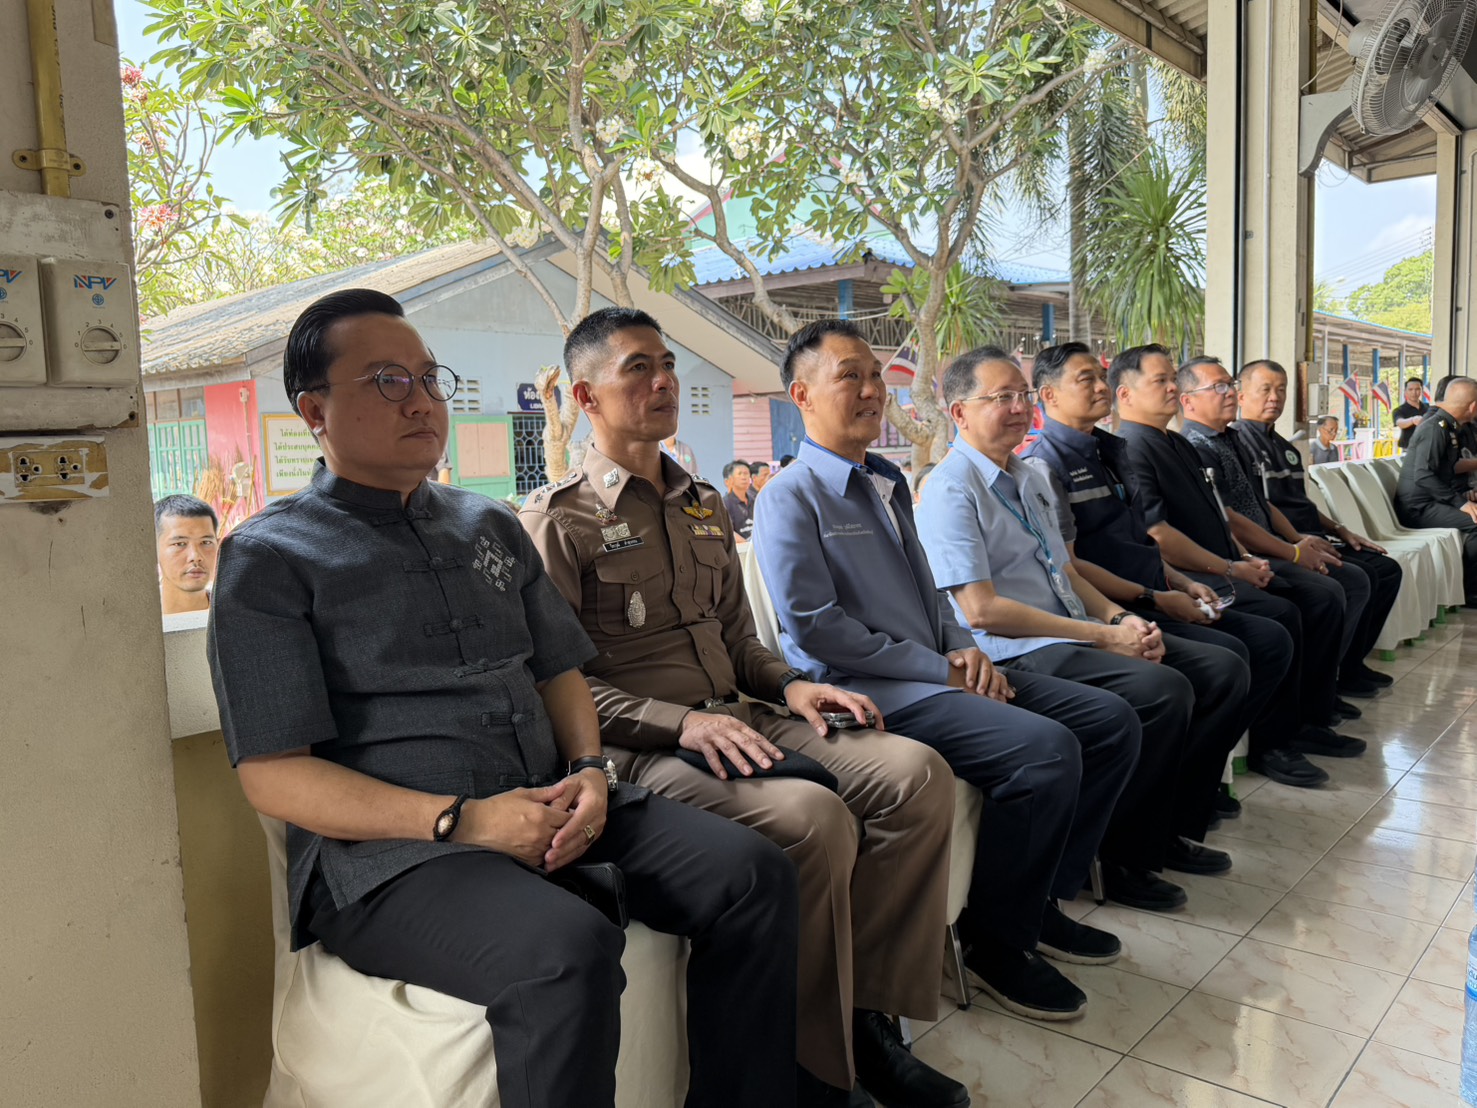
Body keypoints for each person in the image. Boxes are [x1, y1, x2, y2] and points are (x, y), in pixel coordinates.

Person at [207, 289, 800, 1108]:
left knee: (753, 873)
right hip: (395, 857)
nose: (421, 401)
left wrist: (589, 770)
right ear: (314, 411)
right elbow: (272, 775)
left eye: (429, 378)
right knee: (564, 950)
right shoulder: (270, 558)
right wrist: (464, 821)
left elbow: (559, 672)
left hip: (551, 800)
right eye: (387, 381)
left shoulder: (485, 526)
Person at [520, 308, 964, 1108]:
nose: (663, 381)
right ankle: (813, 1070)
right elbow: (558, 683)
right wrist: (682, 723)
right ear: (584, 397)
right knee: (811, 819)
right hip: (644, 750)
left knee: (915, 776)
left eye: (666, 364)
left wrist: (789, 684)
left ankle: (867, 1023)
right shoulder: (558, 520)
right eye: (637, 368)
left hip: (741, 714)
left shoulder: (701, 503)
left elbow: (736, 638)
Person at [755, 319, 1138, 1023]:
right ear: (801, 395)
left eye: (875, 376)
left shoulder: (887, 479)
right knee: (1044, 750)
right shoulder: (791, 494)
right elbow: (817, 629)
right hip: (865, 690)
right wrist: (939, 668)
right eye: (849, 377)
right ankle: (995, 943)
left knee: (1107, 720)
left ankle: (1038, 902)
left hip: (934, 672)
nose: (871, 390)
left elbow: (932, 591)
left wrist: (963, 646)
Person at [919, 345, 1246, 911]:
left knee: (1220, 668)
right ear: (959, 412)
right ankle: (1116, 857)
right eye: (1001, 397)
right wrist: (1103, 636)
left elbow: (1066, 572)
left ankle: (1160, 828)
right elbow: (981, 611)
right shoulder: (951, 489)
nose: (1018, 407)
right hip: (1014, 648)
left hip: (1070, 631)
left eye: (1022, 395)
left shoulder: (1029, 476)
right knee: (1162, 691)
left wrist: (1122, 618)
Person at [1020, 342, 1292, 827]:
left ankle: (1191, 789)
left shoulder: (1111, 450)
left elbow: (1142, 540)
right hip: (1113, 606)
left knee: (1264, 640)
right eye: (1086, 379)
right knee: (1226, 662)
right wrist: (1151, 599)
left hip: (1152, 593)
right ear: (1049, 396)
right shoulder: (1044, 464)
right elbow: (1071, 567)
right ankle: (1170, 808)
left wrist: (1181, 582)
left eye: (1100, 376)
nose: (1101, 387)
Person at [1110, 343, 1352, 787]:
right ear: (1125, 394)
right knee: (1283, 617)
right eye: (1161, 381)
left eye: (1173, 379)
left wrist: (1244, 557)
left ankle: (1300, 721)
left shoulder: (1176, 443)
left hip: (1219, 565)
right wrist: (1227, 567)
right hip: (1190, 577)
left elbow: (1221, 516)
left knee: (1314, 596)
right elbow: (1158, 535)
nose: (1172, 387)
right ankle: (1271, 742)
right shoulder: (1133, 447)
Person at [1176, 355, 1379, 716]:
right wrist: (1291, 553)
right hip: (1236, 556)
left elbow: (1262, 504)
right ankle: (1311, 705)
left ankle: (1324, 691)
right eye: (1219, 387)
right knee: (1329, 591)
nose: (1230, 393)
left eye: (1229, 385)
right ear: (1187, 400)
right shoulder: (1193, 445)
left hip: (1266, 546)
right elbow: (1229, 519)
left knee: (1360, 576)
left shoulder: (1232, 439)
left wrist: (1297, 542)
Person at [1234, 359, 1401, 698]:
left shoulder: (1285, 447)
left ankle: (1349, 666)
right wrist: (1296, 544)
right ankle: (1322, 685)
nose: (1274, 397)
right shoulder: (1239, 445)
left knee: (1386, 570)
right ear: (1241, 396)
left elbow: (1302, 503)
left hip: (1313, 537)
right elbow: (1256, 512)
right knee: (1358, 579)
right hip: (1282, 544)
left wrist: (1341, 530)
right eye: (1265, 389)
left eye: (1281, 390)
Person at [1396, 375, 1477, 604]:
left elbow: (1444, 473)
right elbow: (1423, 475)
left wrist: (1464, 496)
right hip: (1418, 508)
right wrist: (1461, 503)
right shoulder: (1435, 428)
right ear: (1473, 406)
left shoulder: (1448, 426)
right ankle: (1470, 592)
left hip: (1433, 502)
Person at [155, 494, 220, 615]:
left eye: (206, 542)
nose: (195, 557)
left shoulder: (235, 615)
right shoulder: (136, 619)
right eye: (180, 544)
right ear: (153, 549)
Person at [1392, 377, 1430, 451]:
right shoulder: (1399, 410)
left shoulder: (1429, 407)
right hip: (1408, 448)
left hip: (1427, 447)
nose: (1414, 392)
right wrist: (1413, 420)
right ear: (1405, 391)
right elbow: (1400, 422)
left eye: (1417, 389)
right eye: (1410, 389)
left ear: (1422, 391)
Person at [723, 460, 755, 540]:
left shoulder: (755, 500)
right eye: (739, 474)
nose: (744, 477)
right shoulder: (725, 503)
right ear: (731, 479)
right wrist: (746, 544)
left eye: (746, 473)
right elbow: (727, 531)